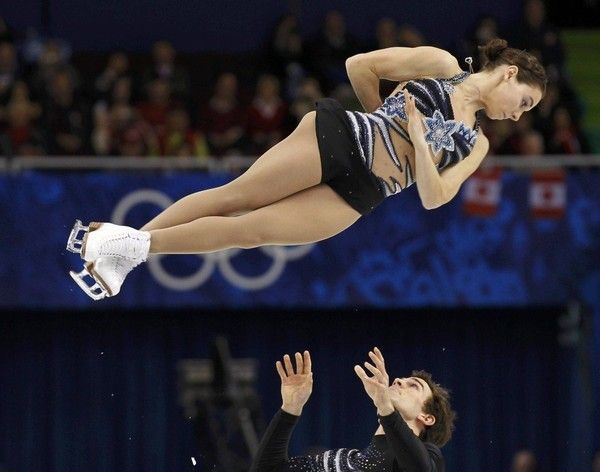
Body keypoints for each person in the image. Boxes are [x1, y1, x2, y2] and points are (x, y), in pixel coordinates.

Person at [65, 38, 547, 299]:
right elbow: (361, 65)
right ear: (508, 73)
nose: (518, 115)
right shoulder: (441, 65)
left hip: (362, 193)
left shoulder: (476, 142)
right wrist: (379, 115)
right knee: (237, 198)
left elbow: (434, 195)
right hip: (339, 139)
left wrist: (420, 142)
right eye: (523, 101)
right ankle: (122, 251)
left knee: (248, 234)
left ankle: (124, 245)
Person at [249, 348, 455, 472]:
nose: (399, 380)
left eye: (414, 386)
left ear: (427, 418)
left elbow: (419, 469)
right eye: (403, 379)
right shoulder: (347, 466)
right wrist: (290, 409)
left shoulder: (431, 458)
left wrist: (385, 407)